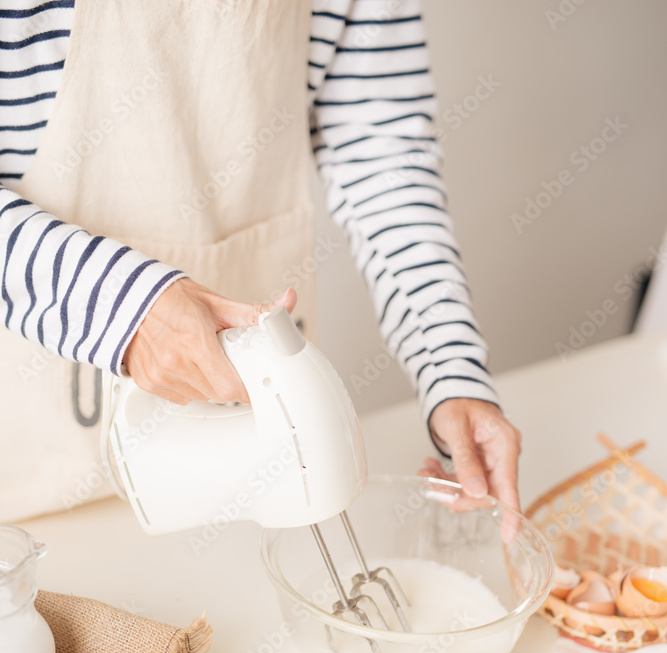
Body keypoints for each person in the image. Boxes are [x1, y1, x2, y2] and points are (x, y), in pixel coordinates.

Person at [0, 0, 520, 527]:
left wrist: (451, 369)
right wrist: (124, 306)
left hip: (251, 467)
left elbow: (379, 154)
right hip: (26, 494)